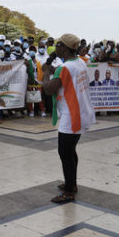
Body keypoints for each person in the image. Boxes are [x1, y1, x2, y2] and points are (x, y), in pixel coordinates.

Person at [42, 34, 95, 203]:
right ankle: (71, 183)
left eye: (59, 45)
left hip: (71, 115)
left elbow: (49, 89)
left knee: (65, 153)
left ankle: (69, 191)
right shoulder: (80, 63)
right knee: (70, 151)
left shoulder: (64, 68)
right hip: (81, 112)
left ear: (65, 48)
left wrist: (45, 73)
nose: (56, 47)